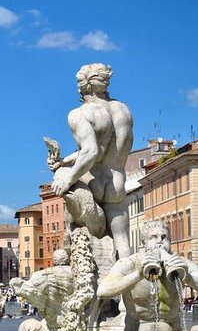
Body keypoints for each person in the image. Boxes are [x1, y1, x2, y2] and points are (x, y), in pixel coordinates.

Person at [48, 63, 134, 260]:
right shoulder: (123, 111)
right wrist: (64, 161)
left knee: (76, 228)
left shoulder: (80, 113)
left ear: (82, 86)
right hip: (117, 181)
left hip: (93, 181)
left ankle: (74, 268)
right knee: (122, 244)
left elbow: (91, 151)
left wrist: (66, 178)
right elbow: (100, 148)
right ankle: (127, 288)